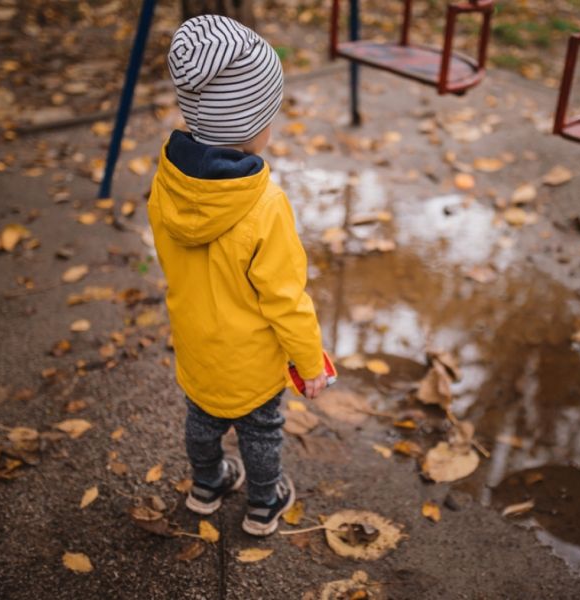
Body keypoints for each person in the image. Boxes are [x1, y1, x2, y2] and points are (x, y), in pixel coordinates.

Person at [147, 14, 327, 536]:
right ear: (252, 124)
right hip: (251, 362)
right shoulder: (265, 205)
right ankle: (263, 505)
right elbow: (285, 297)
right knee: (262, 433)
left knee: (201, 424)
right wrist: (309, 359)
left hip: (197, 346)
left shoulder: (167, 182)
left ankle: (206, 486)